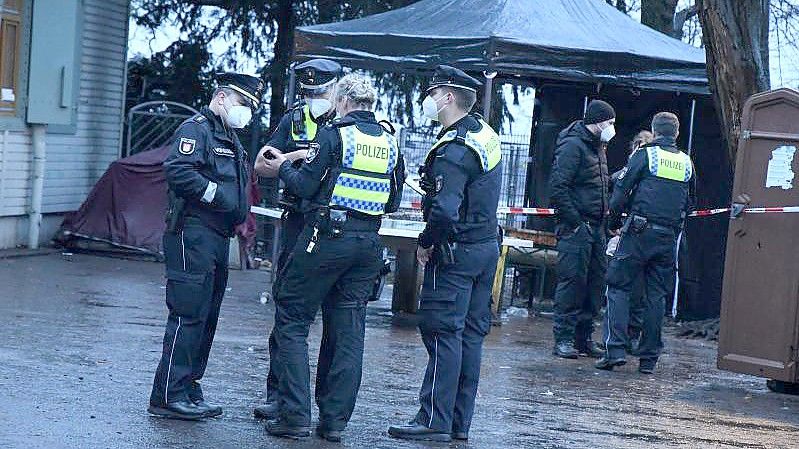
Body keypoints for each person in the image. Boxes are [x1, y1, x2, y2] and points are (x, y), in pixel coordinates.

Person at [258, 74, 406, 441]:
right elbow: (392, 201)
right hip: (368, 243)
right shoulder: (390, 141)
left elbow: (306, 185)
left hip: (326, 237)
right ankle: (334, 422)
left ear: (342, 100)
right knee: (348, 331)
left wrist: (283, 169)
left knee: (292, 317)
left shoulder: (334, 134)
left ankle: (293, 416)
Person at [388, 65, 502, 443]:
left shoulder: (454, 149)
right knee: (469, 336)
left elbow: (445, 210)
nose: (429, 99)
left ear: (448, 97)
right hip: (485, 248)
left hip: (456, 251)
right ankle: (457, 422)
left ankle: (433, 420)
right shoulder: (484, 134)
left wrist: (425, 242)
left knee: (441, 333)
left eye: (433, 92)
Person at [148, 73, 263, 420]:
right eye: (244, 104)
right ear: (223, 96)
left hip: (216, 236)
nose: (247, 113)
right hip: (192, 233)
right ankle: (167, 395)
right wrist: (219, 197)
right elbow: (179, 172)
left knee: (206, 318)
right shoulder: (196, 130)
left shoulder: (229, 136)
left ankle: (189, 386)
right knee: (188, 314)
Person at [252, 58, 342, 422]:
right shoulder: (294, 118)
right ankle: (279, 395)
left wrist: (301, 161)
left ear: (338, 88)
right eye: (308, 92)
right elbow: (262, 162)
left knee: (333, 322)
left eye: (320, 92)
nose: (313, 99)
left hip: (333, 226)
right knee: (286, 311)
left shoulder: (349, 122)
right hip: (296, 221)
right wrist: (297, 156)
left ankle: (327, 405)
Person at [597, 112, 693, 374]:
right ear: (676, 133)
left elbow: (621, 189)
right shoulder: (686, 162)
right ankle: (649, 359)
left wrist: (613, 221)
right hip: (668, 237)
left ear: (654, 130)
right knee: (656, 297)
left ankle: (615, 349)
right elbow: (690, 202)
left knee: (617, 287)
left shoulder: (646, 155)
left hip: (639, 232)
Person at [549, 99, 616, 359]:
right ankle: (563, 339)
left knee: (594, 283)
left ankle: (583, 337)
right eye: (609, 123)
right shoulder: (573, 146)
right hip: (578, 227)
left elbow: (592, 183)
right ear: (597, 122)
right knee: (572, 282)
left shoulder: (597, 146)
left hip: (595, 227)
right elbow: (559, 187)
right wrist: (575, 223)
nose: (612, 127)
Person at [607, 130, 653, 352]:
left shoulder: (650, 178)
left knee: (639, 292)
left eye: (644, 145)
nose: (640, 149)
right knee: (619, 289)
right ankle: (618, 338)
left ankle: (632, 336)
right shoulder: (621, 175)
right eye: (638, 144)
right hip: (621, 237)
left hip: (639, 237)